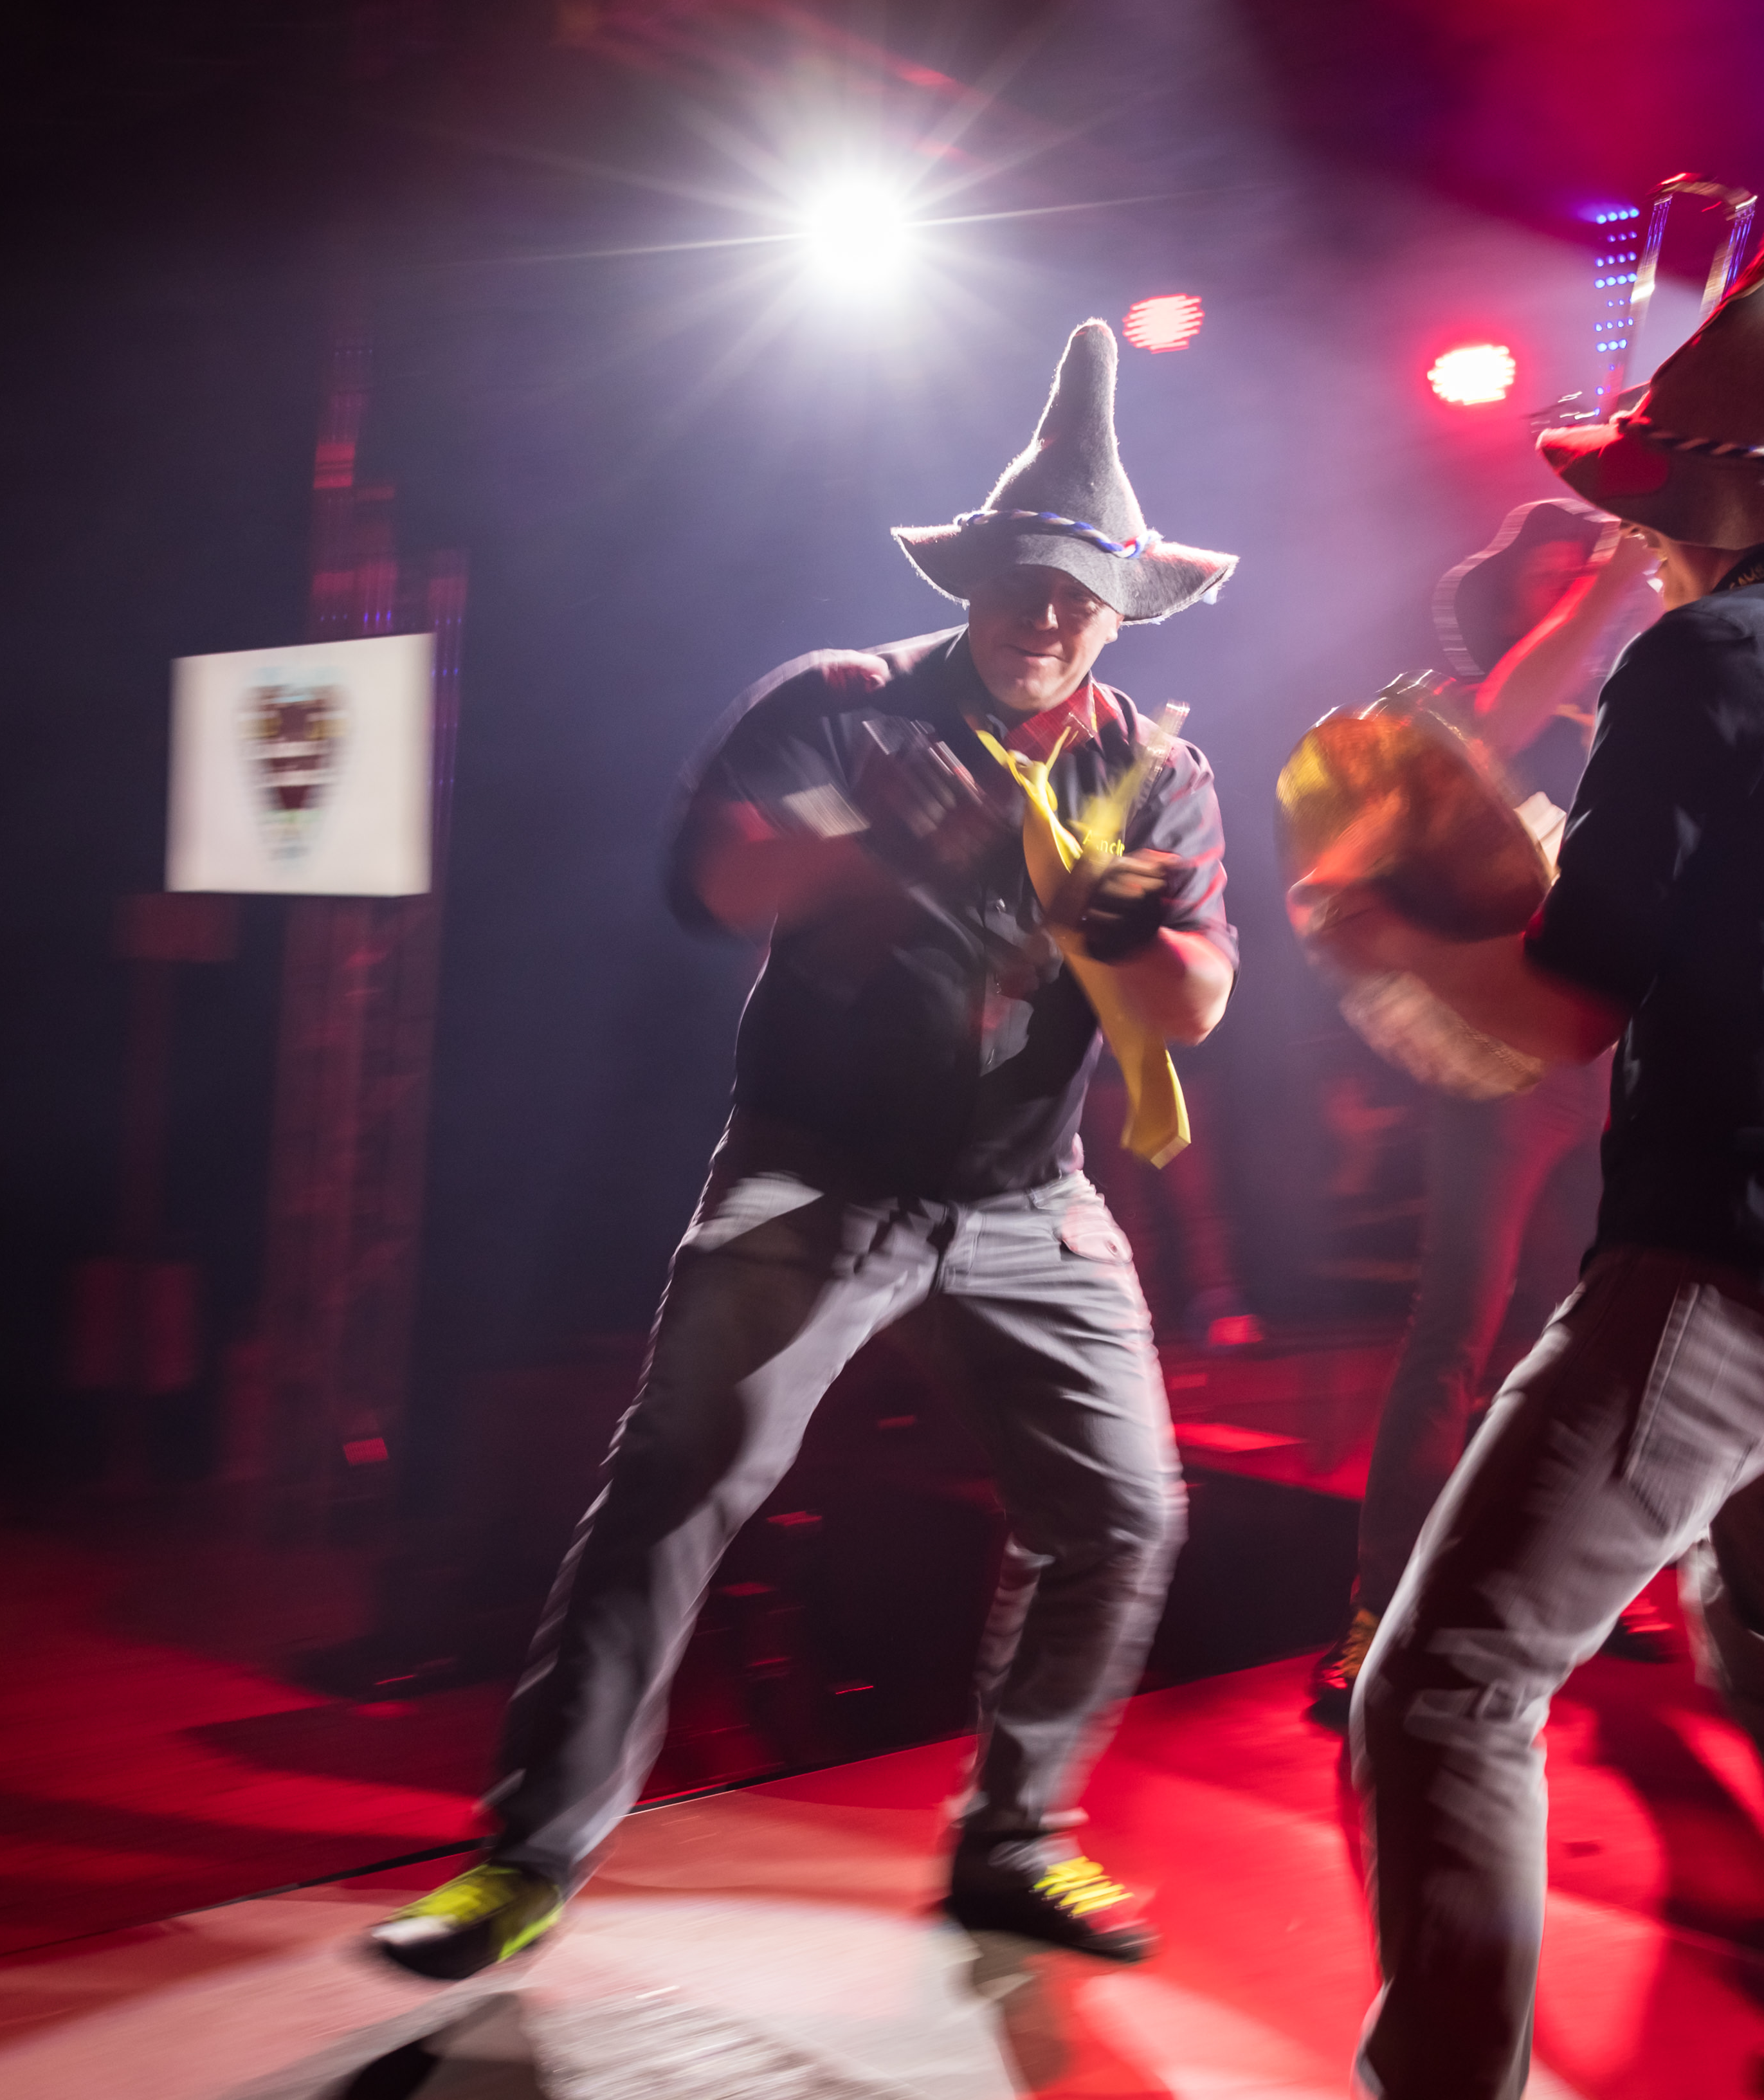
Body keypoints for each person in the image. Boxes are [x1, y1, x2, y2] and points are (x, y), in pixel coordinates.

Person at [367, 320, 1239, 1981]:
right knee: (671, 1496)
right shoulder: (842, 703)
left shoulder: (1155, 767)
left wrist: (1132, 930)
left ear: (1121, 610)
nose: (1048, 617)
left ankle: (1016, 1840)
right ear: (975, 578)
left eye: (1080, 596)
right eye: (1024, 582)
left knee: (1126, 1513)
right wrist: (883, 853)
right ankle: (521, 1864)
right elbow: (715, 880)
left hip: (1024, 1195)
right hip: (814, 1169)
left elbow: (1196, 1005)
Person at [1300, 161, 1764, 2100]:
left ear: (1701, 498)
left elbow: (1559, 1008)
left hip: (1729, 1259)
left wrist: (1374, 932)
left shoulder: (1700, 666)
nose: (1634, 536)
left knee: (1444, 1686)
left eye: (1651, 498)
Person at [1304, 500, 1664, 1730]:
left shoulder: (1616, 717)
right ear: (1505, 597)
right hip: (1501, 1071)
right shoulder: (1462, 716)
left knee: (1582, 1337)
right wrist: (1615, 570)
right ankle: (1378, 1614)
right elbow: (1503, 724)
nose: (1586, 580)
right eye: (1555, 569)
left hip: (1607, 1062)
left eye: (1585, 565)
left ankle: (1569, 1589)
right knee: (1455, 1329)